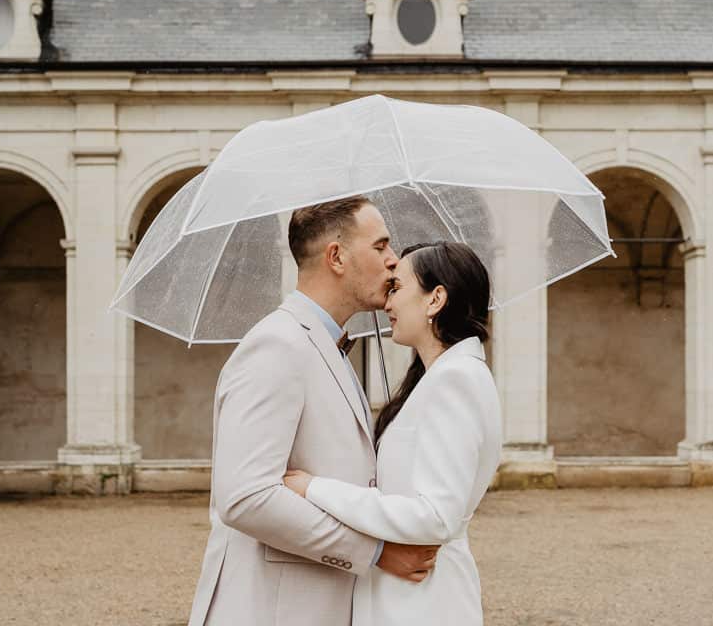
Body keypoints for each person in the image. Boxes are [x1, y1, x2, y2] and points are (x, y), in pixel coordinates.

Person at [187, 196, 440, 626]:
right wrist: (375, 552)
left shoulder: (329, 347)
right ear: (336, 257)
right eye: (380, 247)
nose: (395, 261)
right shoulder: (277, 345)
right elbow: (246, 496)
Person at [285, 241, 503, 626]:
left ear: (435, 299)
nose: (387, 304)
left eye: (397, 288)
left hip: (423, 601)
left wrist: (314, 489)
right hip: (405, 596)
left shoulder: (456, 380)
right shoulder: (441, 378)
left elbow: (434, 516)